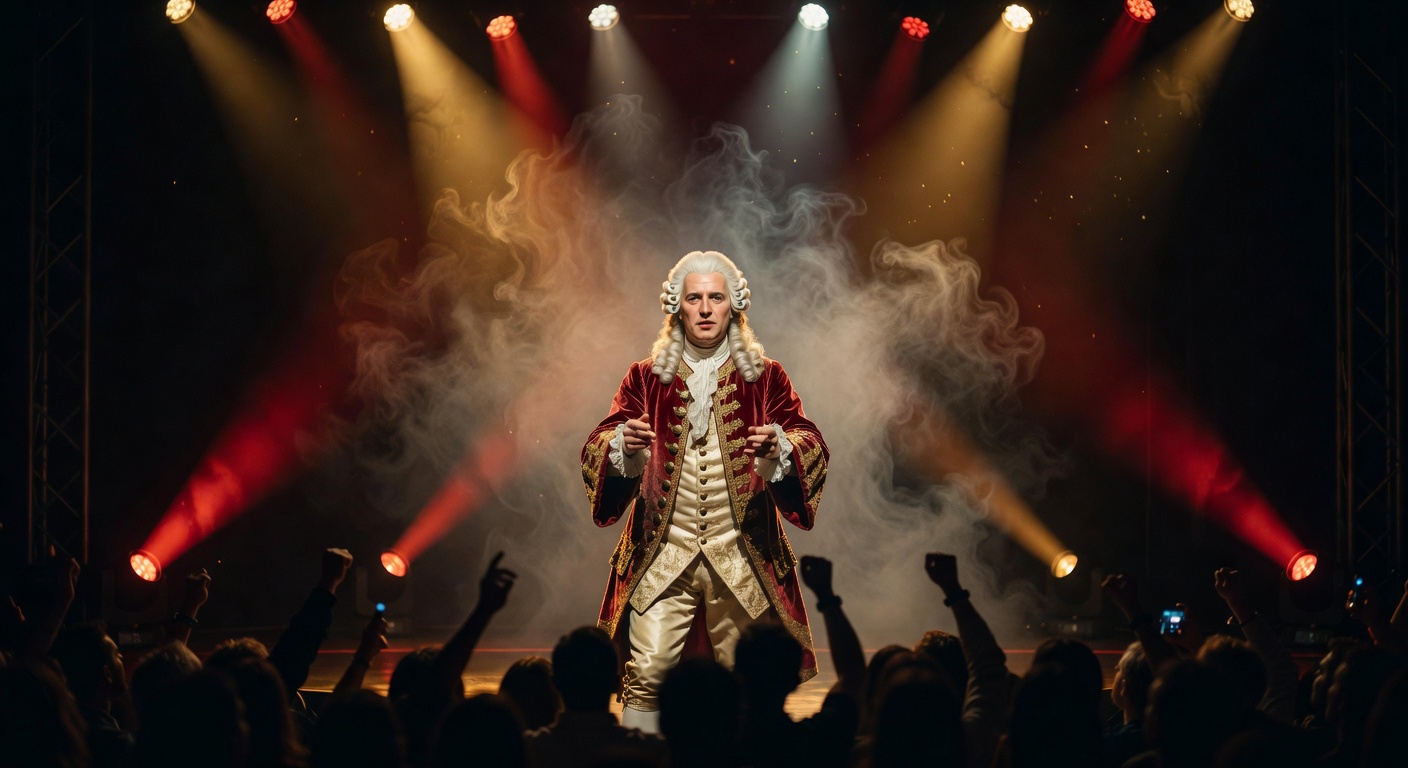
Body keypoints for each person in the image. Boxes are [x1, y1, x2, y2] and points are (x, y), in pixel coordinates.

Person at [580, 250, 828, 731]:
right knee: (646, 675)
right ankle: (645, 762)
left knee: (747, 680)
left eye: (716, 297)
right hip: (660, 555)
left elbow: (809, 439)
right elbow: (597, 443)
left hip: (742, 556)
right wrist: (621, 445)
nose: (706, 308)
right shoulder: (644, 377)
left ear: (734, 305)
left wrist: (780, 448)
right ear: (678, 306)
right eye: (695, 298)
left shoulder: (767, 376)